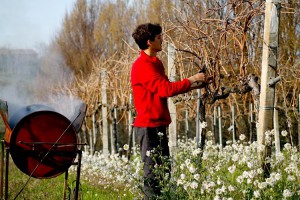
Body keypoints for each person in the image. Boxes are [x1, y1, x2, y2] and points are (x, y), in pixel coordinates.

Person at [131, 23, 211, 199]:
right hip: (148, 127)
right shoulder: (142, 66)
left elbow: (169, 87)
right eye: (159, 37)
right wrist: (191, 79)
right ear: (149, 41)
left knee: (164, 172)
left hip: (157, 125)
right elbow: (165, 89)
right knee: (152, 177)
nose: (162, 39)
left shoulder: (155, 62)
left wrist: (196, 84)